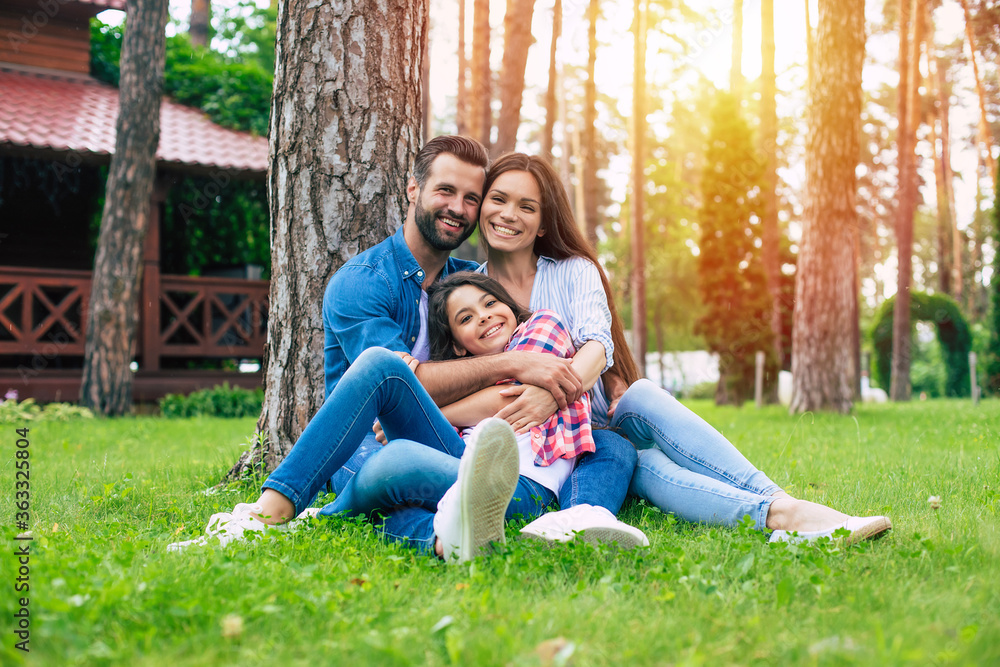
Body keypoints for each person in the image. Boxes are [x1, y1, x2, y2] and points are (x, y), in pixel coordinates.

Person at [168, 136, 643, 554]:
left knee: (406, 476)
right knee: (385, 394)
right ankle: (268, 514)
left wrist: (581, 378)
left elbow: (540, 365)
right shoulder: (364, 283)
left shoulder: (469, 284)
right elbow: (413, 383)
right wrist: (518, 362)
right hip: (364, 444)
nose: (458, 207)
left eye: (470, 198)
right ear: (414, 190)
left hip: (453, 446)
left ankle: (439, 537)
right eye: (445, 191)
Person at [474, 152, 891, 545]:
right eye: (499, 199)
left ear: (544, 224)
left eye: (527, 206)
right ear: (482, 206)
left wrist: (552, 392)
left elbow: (599, 345)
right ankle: (783, 517)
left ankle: (789, 506)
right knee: (649, 469)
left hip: (605, 418)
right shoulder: (469, 292)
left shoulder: (572, 271)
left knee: (641, 394)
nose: (509, 214)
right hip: (569, 449)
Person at [320, 272, 647, 560]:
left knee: (398, 462)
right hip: (464, 470)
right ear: (458, 346)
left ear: (509, 306)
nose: (484, 317)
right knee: (392, 485)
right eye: (465, 319)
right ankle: (440, 541)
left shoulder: (539, 328)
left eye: (490, 303)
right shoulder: (463, 378)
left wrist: (436, 412)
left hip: (521, 486)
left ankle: (326, 516)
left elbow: (510, 392)